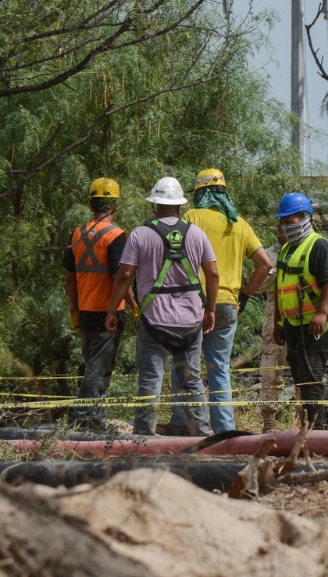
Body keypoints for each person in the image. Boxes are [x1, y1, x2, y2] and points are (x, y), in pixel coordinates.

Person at [160, 168, 272, 435]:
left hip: (194, 304)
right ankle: (225, 430)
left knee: (184, 365)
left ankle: (181, 422)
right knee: (219, 369)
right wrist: (243, 296)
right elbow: (265, 265)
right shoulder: (240, 224)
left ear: (200, 194)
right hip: (228, 305)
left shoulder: (191, 217)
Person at [105, 177, 219, 436]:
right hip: (190, 322)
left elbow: (123, 276)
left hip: (154, 322)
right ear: (180, 206)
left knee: (150, 381)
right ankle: (201, 436)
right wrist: (210, 309)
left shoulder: (140, 235)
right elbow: (213, 274)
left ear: (154, 205)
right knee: (191, 383)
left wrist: (113, 310)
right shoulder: (197, 234)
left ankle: (143, 439)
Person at [63, 177, 135, 430]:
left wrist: (74, 311)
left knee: (98, 368)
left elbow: (70, 280)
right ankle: (80, 418)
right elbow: (120, 277)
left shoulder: (76, 234)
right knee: (97, 369)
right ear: (115, 204)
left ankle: (95, 423)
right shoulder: (116, 235)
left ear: (91, 205)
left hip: (85, 310)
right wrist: (132, 304)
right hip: (108, 312)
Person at [271, 192, 328, 429]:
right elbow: (280, 289)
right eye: (282, 221)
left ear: (304, 217)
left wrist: (322, 313)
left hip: (317, 326)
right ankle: (307, 429)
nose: (285, 226)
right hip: (293, 326)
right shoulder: (286, 250)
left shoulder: (319, 246)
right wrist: (278, 323)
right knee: (301, 380)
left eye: (289, 220)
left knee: (311, 378)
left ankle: (316, 433)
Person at [256, 224, 289, 433]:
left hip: (303, 321)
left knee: (306, 372)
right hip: (274, 324)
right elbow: (258, 284)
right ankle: (269, 422)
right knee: (271, 373)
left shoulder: (309, 250)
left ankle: (306, 421)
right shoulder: (269, 255)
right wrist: (279, 269)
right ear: (278, 228)